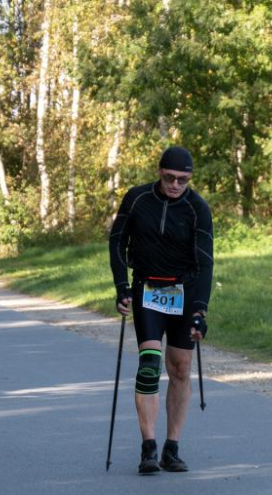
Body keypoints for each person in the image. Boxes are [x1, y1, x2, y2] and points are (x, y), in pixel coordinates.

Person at [109, 146, 214, 474]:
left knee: (180, 368)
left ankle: (172, 447)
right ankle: (148, 447)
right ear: (159, 172)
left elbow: (206, 262)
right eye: (169, 177)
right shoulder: (138, 199)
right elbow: (117, 241)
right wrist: (122, 287)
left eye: (183, 180)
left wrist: (200, 310)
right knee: (150, 365)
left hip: (184, 291)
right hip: (147, 289)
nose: (175, 185)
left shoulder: (197, 208)